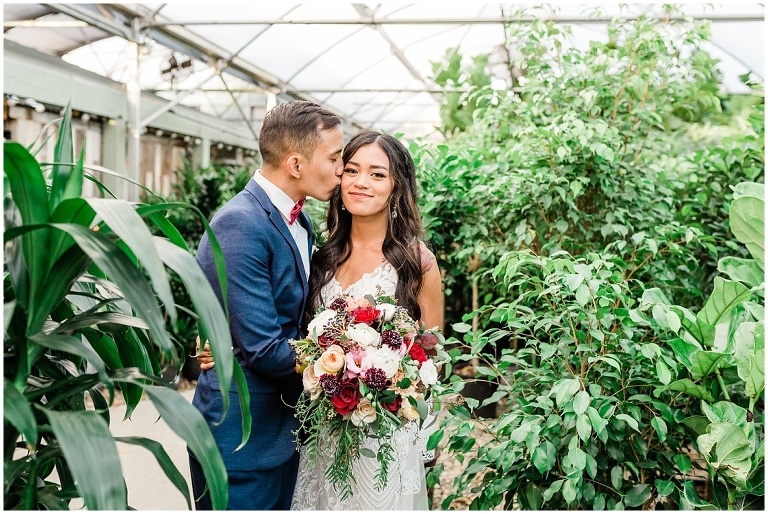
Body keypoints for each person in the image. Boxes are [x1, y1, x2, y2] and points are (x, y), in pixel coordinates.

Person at [198, 131, 444, 510]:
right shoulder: (322, 256)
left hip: (383, 437)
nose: (361, 182)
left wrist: (422, 433)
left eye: (378, 174)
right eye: (350, 169)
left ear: (397, 186)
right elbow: (292, 327)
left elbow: (431, 357)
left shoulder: (417, 262)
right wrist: (229, 344)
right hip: (321, 433)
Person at [188, 100, 344, 510]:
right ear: (296, 164)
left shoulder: (300, 219)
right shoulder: (240, 223)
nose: (341, 168)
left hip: (283, 431)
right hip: (242, 440)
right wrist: (354, 359)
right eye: (334, 158)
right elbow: (263, 349)